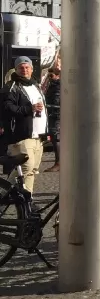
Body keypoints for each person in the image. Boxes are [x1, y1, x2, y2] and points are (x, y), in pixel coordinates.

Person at [0, 57, 48, 210]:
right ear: (16, 69)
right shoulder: (11, 86)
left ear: (32, 69)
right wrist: (29, 109)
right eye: (21, 67)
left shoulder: (36, 86)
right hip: (21, 136)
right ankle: (14, 198)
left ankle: (21, 198)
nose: (24, 70)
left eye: (27, 67)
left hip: (37, 136)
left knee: (32, 169)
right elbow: (7, 108)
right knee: (26, 167)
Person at [42, 56, 61, 168]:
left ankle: (59, 162)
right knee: (54, 137)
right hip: (52, 112)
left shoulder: (58, 83)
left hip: (56, 112)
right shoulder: (52, 82)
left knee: (56, 137)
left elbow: (56, 98)